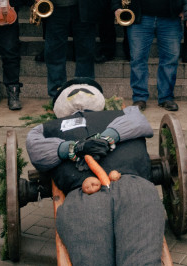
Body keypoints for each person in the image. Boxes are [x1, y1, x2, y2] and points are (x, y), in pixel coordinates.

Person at [24, 78, 166, 266]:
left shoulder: (123, 113)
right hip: (83, 194)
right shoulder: (50, 126)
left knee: (142, 258)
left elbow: (139, 122)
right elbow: (35, 147)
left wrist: (108, 137)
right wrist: (74, 148)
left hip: (133, 184)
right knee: (92, 256)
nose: (78, 90)